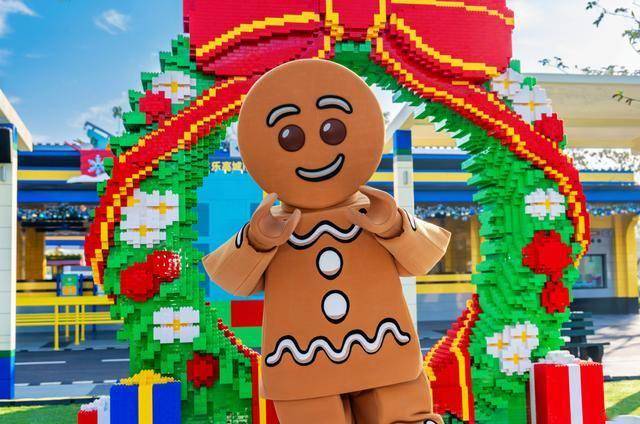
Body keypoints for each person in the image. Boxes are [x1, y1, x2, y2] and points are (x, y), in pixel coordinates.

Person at [203, 59, 450, 424]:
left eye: (331, 130)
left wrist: (394, 223)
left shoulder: (374, 212)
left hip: (384, 353)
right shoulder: (272, 225)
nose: (314, 152)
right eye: (291, 137)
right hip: (301, 365)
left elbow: (425, 256)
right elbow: (230, 278)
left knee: (401, 413)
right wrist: (258, 239)